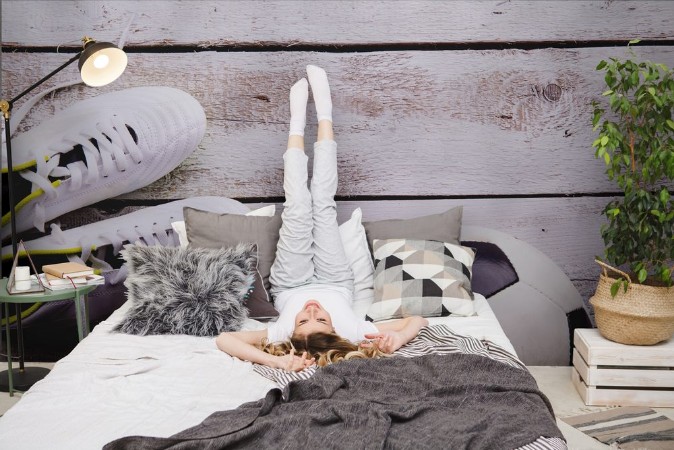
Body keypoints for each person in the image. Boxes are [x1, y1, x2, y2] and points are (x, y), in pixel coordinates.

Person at [216, 66, 428, 372]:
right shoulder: (355, 332)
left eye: (303, 319)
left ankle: (297, 124)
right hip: (337, 281)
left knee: (298, 205)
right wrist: (399, 337)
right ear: (335, 330)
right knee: (323, 203)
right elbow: (417, 320)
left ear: (292, 330)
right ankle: (325, 112)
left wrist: (274, 360)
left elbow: (225, 339)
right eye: (322, 319)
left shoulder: (281, 333)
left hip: (290, 283)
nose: (312, 310)